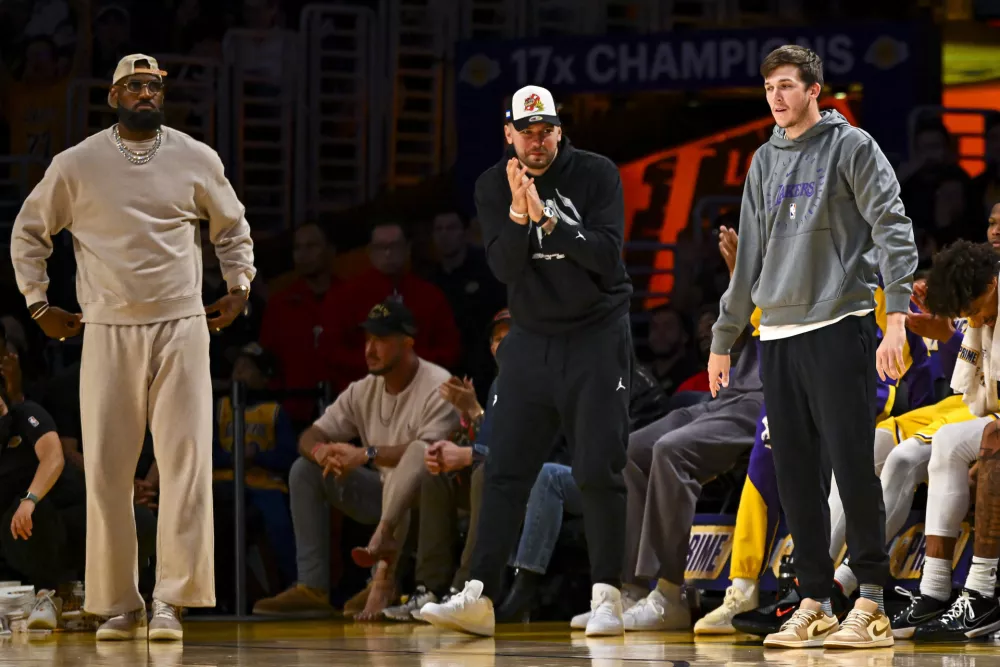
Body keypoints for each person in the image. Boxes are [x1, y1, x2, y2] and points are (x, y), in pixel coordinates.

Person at [9, 54, 256, 642]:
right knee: (106, 471)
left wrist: (240, 285)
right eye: (134, 86)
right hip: (108, 327)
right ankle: (119, 603)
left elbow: (232, 227)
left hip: (182, 325)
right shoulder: (78, 163)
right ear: (113, 95)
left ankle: (172, 599)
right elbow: (29, 232)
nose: (145, 93)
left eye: (154, 86)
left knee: (185, 463)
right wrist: (38, 303)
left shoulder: (196, 156)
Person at [709, 45, 918, 650]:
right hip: (776, 333)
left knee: (852, 465)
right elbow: (747, 258)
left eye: (786, 86)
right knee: (796, 474)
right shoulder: (761, 162)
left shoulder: (851, 146)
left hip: (840, 322)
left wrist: (898, 318)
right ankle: (815, 600)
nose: (776, 97)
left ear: (814, 90)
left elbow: (894, 228)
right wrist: (726, 338)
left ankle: (874, 600)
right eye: (769, 86)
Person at [420, 84, 633, 637]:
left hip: (595, 336)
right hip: (531, 341)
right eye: (526, 132)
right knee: (503, 469)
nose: (537, 142)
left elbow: (608, 259)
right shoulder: (494, 184)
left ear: (560, 131)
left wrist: (552, 221)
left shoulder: (597, 174)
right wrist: (519, 216)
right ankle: (479, 596)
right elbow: (506, 270)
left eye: (546, 131)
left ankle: (607, 596)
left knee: (596, 469)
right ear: (509, 133)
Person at [251, 300, 457, 620]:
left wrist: (364, 454)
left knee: (410, 467)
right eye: (367, 340)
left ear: (407, 343)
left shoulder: (438, 385)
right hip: (380, 494)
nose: (370, 350)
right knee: (305, 469)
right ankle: (312, 587)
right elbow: (311, 434)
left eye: (381, 340)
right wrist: (323, 453)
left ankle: (383, 580)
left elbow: (429, 452)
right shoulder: (363, 389)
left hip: (429, 503)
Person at [904, 238, 1000, 640]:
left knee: (992, 446)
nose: (973, 320)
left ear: (992, 286)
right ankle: (936, 589)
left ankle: (981, 592)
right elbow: (974, 398)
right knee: (946, 441)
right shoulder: (984, 312)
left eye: (974, 311)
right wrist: (962, 329)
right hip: (994, 417)